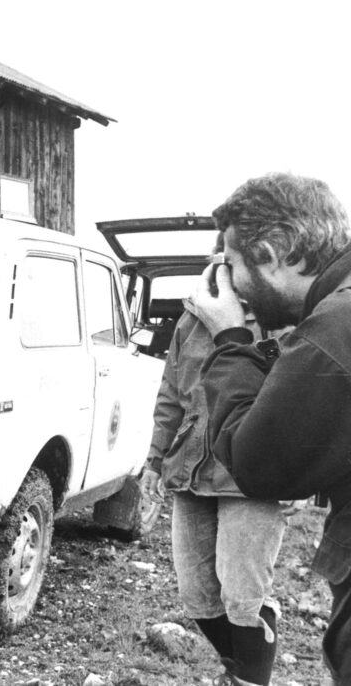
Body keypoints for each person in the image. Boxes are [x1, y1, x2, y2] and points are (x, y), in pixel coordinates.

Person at [190, 172, 351, 685]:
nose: (231, 284)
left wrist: (230, 338)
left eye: (232, 265)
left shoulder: (335, 328)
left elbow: (258, 464)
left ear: (271, 253)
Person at [143, 265, 287, 685]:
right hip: (190, 472)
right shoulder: (190, 320)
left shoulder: (283, 320)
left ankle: (249, 678)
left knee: (243, 598)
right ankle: (240, 667)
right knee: (197, 597)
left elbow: (301, 402)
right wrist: (154, 461)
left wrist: (300, 478)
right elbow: (171, 394)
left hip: (252, 477)